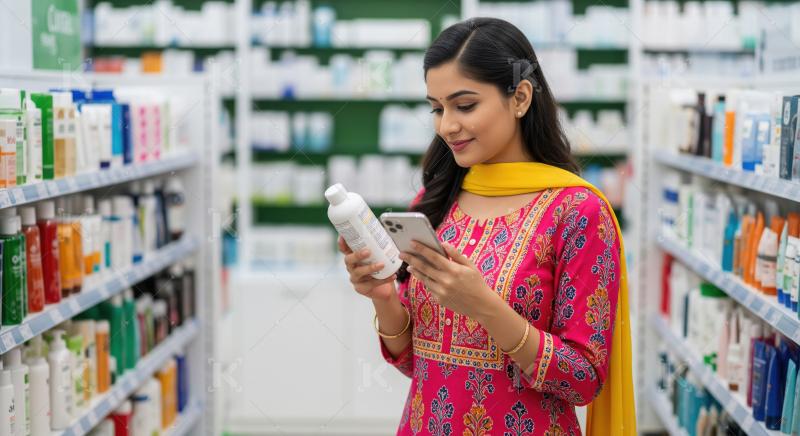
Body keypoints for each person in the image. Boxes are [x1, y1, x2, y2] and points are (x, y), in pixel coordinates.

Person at [337, 17, 635, 435]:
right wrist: (384, 296)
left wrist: (485, 307)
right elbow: (413, 363)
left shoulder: (578, 212)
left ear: (520, 98)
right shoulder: (434, 203)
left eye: (465, 105)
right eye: (437, 109)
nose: (446, 126)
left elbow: (583, 379)